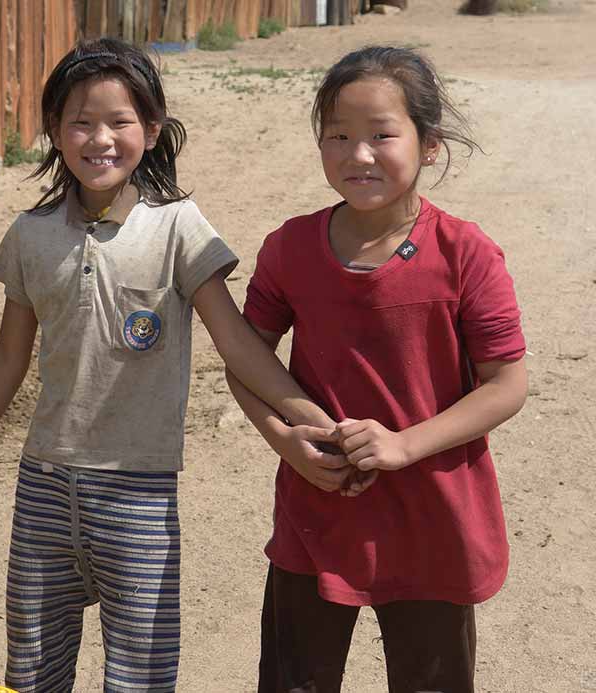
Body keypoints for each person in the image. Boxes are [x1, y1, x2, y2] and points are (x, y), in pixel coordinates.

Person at [0, 38, 339, 693]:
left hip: (139, 492)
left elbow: (235, 340)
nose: (100, 138)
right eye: (81, 121)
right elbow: (6, 358)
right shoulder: (31, 234)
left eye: (120, 121)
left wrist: (307, 413)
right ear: (54, 130)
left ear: (152, 128)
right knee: (31, 672)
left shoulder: (178, 227)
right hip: (45, 489)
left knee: (140, 676)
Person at [225, 46, 529, 692]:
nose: (358, 154)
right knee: (293, 680)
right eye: (338, 135)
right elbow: (246, 362)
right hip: (317, 510)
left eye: (382, 135)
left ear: (429, 146)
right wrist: (287, 440)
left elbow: (507, 383)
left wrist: (401, 444)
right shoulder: (291, 248)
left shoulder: (465, 254)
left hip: (433, 518)